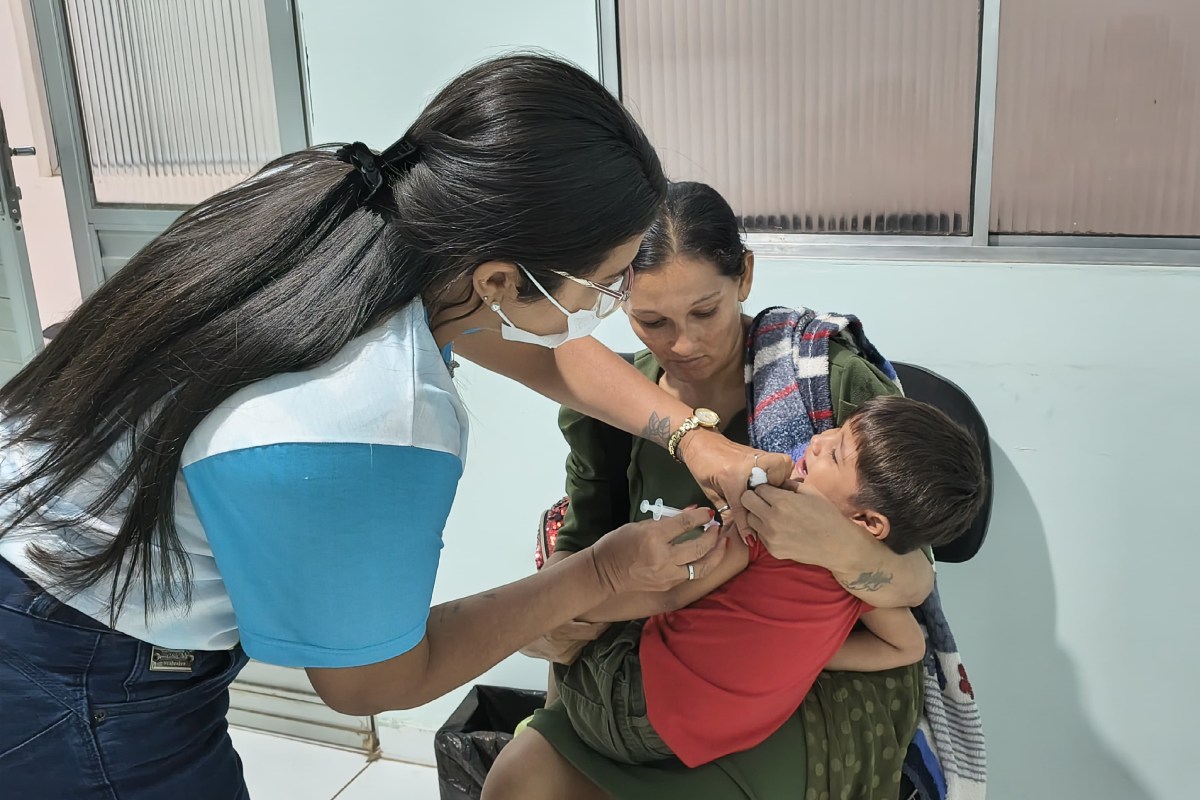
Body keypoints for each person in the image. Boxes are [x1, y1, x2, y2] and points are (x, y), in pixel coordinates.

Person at [0, 56, 795, 800]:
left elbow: (547, 355)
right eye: (606, 286)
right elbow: (368, 685)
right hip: (71, 665)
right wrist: (602, 577)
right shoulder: (376, 419)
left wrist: (692, 436)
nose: (608, 310)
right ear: (500, 280)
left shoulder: (352, 210)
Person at [485, 182, 942, 800]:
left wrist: (834, 548)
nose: (684, 344)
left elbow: (914, 579)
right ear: (617, 299)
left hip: (782, 699)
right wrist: (561, 620)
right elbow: (581, 550)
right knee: (515, 785)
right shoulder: (612, 406)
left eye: (706, 311)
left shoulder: (824, 391)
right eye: (652, 321)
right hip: (640, 673)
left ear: (744, 276)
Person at [552, 394, 986, 769]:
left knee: (567, 550)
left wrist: (574, 608)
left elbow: (670, 594)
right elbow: (908, 647)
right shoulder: (865, 583)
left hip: (622, 704)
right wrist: (807, 656)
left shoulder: (765, 522)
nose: (819, 440)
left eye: (835, 455)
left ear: (871, 521)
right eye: (837, 431)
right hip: (704, 743)